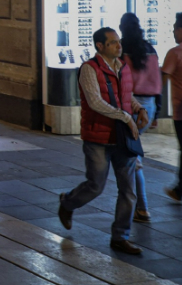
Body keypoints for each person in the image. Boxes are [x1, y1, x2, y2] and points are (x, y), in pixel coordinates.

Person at [58, 27, 150, 255]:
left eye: (119, 42)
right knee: (96, 185)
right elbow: (95, 102)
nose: (119, 46)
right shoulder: (89, 69)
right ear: (100, 46)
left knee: (128, 191)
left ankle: (120, 237)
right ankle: (67, 203)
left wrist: (138, 109)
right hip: (98, 137)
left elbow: (125, 97)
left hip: (123, 139)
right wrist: (126, 117)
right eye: (113, 43)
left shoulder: (123, 67)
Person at [119, 12, 162, 222]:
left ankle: (142, 207)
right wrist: (157, 113)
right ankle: (139, 207)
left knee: (131, 158)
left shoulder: (121, 50)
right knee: (131, 154)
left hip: (131, 105)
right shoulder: (150, 49)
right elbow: (158, 82)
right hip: (150, 105)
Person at [163, 12, 182, 203]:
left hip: (181, 111)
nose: (173, 33)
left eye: (175, 29)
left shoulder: (175, 53)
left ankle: (179, 189)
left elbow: (163, 78)